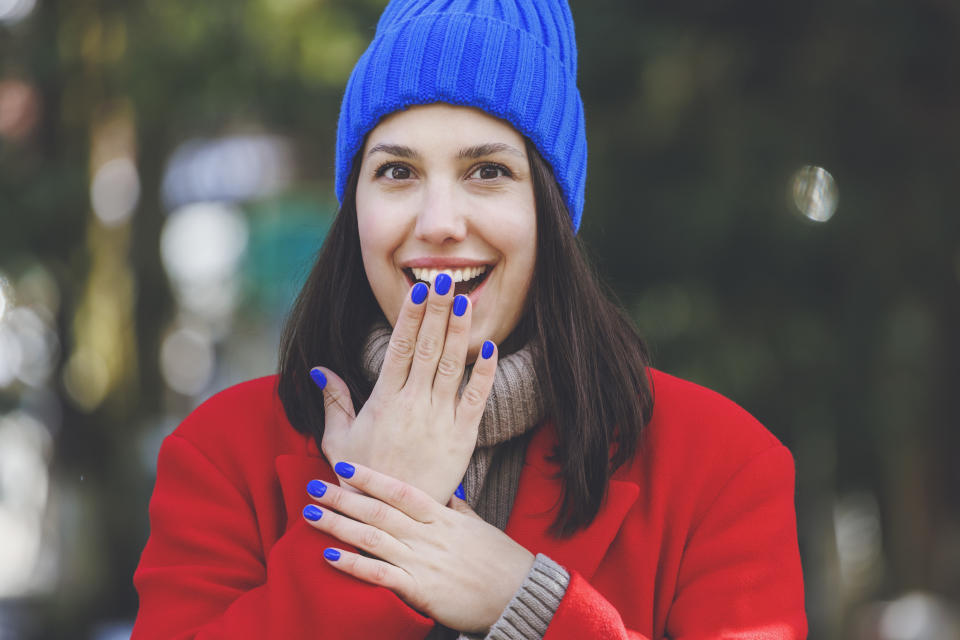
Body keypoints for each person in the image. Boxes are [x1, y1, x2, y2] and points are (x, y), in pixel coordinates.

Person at [131, 1, 807, 638]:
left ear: (550, 207)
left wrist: (530, 599)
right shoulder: (221, 455)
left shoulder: (724, 469)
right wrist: (375, 515)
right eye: (396, 171)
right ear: (354, 207)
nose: (439, 224)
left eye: (487, 171)